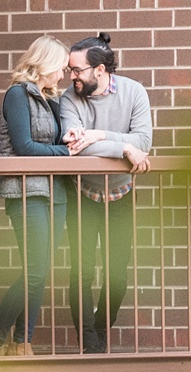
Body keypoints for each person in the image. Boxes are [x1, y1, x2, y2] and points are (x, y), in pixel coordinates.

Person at [0, 35, 73, 357]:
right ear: (44, 64)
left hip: (55, 192)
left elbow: (60, 140)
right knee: (34, 269)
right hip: (25, 192)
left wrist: (72, 139)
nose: (63, 74)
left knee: (41, 270)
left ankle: (23, 342)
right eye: (60, 67)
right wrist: (66, 152)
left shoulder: (52, 100)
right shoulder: (17, 95)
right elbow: (25, 148)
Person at [59, 33, 152, 353]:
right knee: (81, 270)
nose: (71, 77)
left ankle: (99, 329)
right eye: (70, 71)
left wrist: (98, 135)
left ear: (99, 70)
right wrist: (123, 145)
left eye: (77, 70)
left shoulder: (134, 92)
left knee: (117, 272)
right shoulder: (70, 99)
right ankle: (89, 345)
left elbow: (144, 143)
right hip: (83, 194)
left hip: (121, 194)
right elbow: (76, 148)